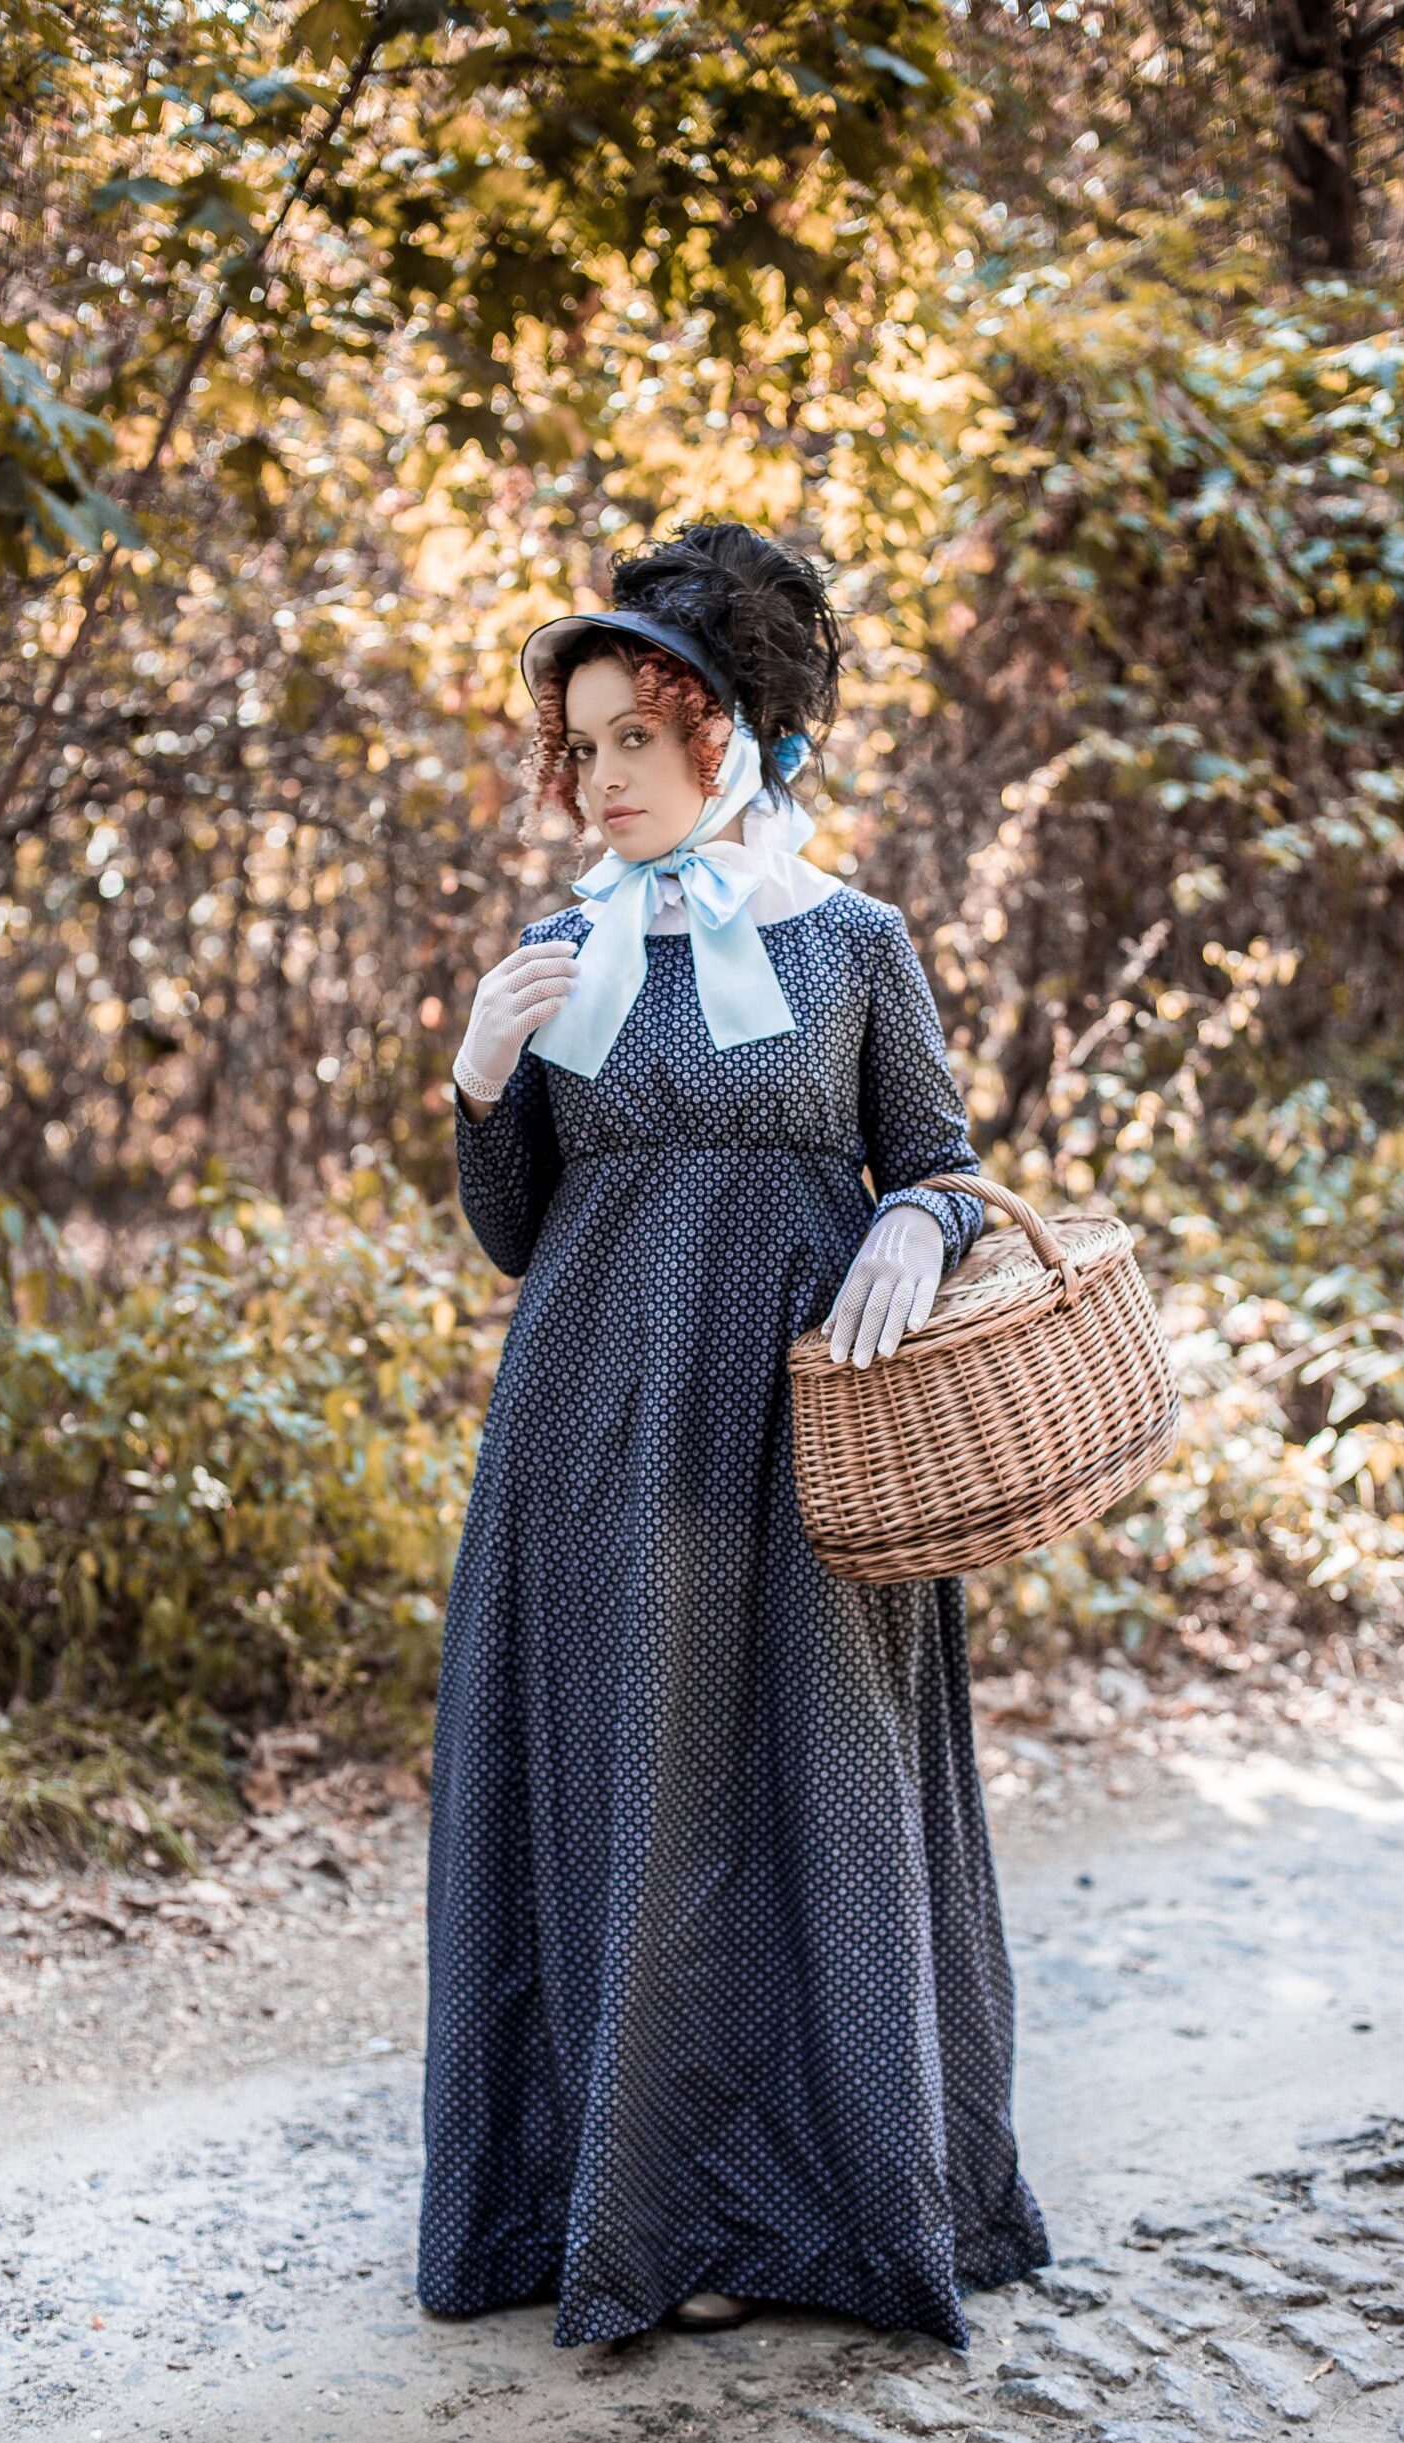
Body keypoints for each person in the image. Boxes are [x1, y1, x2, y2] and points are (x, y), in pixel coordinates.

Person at [416, 519, 1050, 2349]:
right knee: (636, 1799)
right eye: (583, 744)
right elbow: (518, 1229)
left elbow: (940, 1159)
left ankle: (831, 2207)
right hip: (595, 1437)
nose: (599, 777)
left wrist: (916, 1225)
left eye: (638, 737)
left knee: (808, 1791)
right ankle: (641, 2208)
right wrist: (478, 1079)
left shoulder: (853, 943)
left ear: (733, 740)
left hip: (801, 1442)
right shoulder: (561, 950)